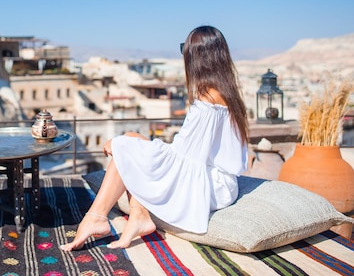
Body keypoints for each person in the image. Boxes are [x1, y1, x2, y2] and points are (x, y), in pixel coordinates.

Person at [60, 25, 249, 251]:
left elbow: (185, 157)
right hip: (218, 180)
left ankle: (96, 218)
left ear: (196, 57)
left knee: (126, 146)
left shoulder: (208, 99)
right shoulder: (226, 92)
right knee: (131, 141)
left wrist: (122, 145)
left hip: (211, 186)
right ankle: (138, 216)